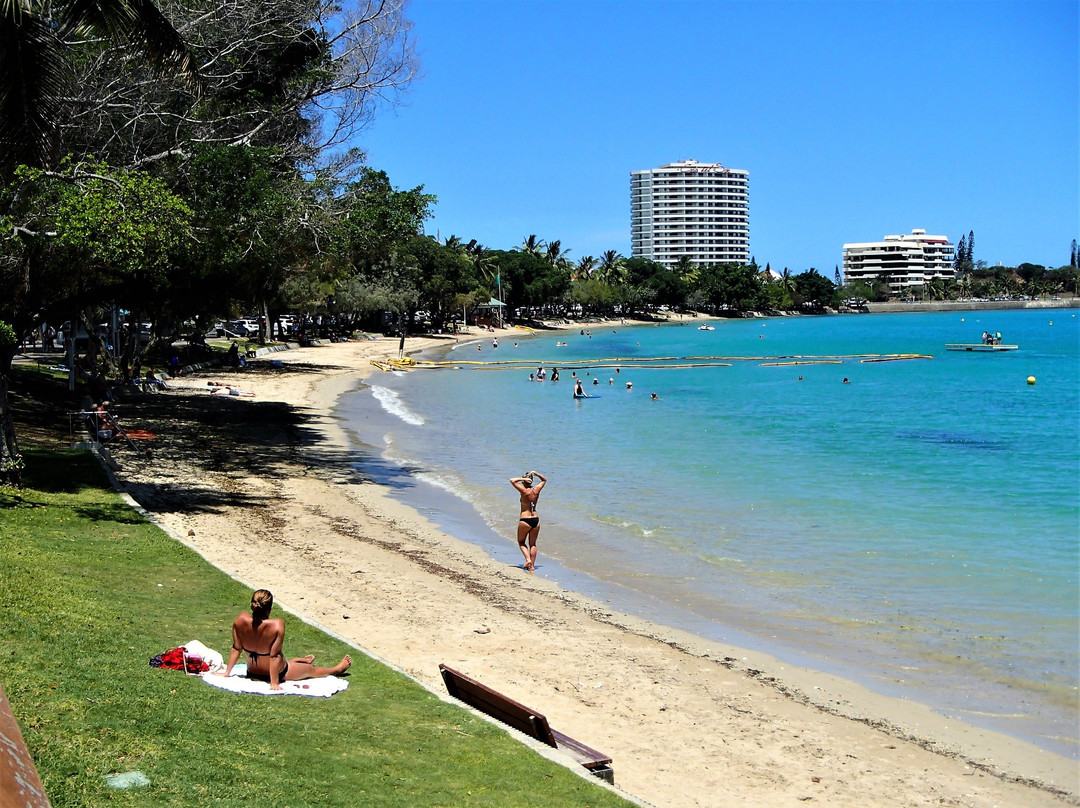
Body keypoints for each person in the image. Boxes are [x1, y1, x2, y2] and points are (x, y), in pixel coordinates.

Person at [220, 589, 351, 690]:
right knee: (311, 670)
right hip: (279, 672)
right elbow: (274, 656)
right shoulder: (276, 625)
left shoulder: (240, 620)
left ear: (252, 605)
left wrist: (227, 673)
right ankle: (336, 670)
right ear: (270, 608)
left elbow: (236, 648)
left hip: (252, 671)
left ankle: (301, 661)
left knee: (290, 663)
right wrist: (274, 683)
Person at [510, 471, 546, 571]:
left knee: (521, 542)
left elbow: (512, 480)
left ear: (525, 482)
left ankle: (528, 559)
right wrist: (536, 473)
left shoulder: (523, 491)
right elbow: (544, 480)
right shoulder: (536, 490)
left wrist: (523, 479)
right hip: (535, 519)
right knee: (533, 544)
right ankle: (532, 566)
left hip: (525, 519)